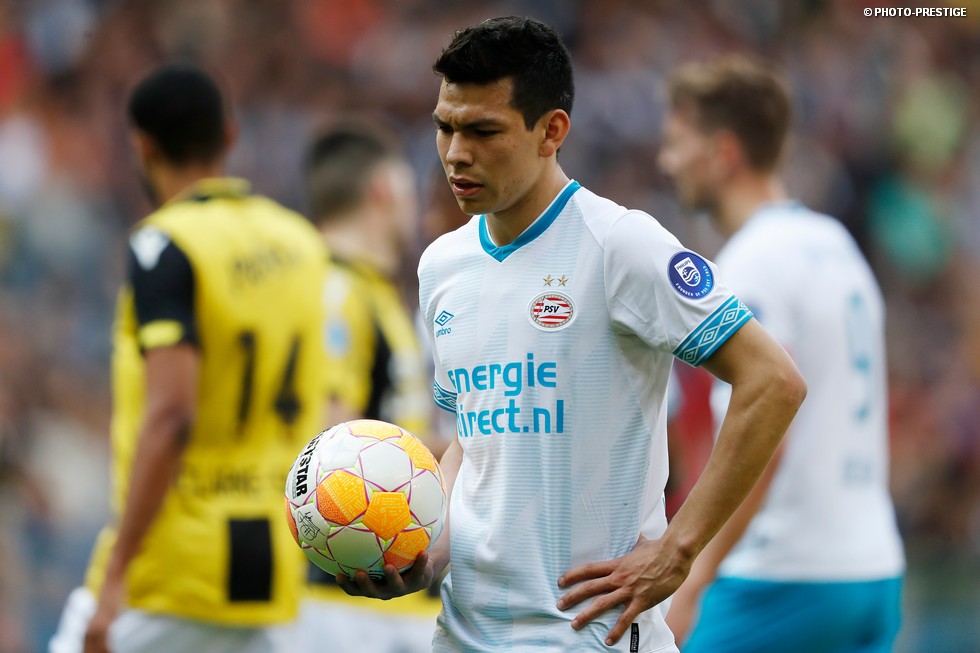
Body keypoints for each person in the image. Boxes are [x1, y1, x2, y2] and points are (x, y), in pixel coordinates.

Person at [338, 16, 807, 653]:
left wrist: (679, 548)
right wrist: (432, 551)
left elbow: (773, 381)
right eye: (445, 127)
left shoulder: (619, 245)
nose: (455, 154)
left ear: (551, 131)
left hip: (586, 635)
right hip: (463, 635)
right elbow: (468, 441)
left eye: (483, 131)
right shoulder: (442, 266)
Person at [48, 63, 327, 653]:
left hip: (176, 563)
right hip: (274, 559)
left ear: (142, 146)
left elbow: (172, 415)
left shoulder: (165, 244)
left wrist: (116, 571)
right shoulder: (301, 243)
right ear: (229, 134)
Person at [659, 56, 905, 652]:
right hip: (874, 569)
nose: (667, 161)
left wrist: (692, 577)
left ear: (724, 153)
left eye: (677, 143)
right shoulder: (837, 244)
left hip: (784, 576)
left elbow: (763, 427)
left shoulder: (755, 262)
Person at [284, 119, 442, 652]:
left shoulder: (369, 289)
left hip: (385, 587)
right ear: (383, 188)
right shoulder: (336, 289)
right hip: (346, 601)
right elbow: (332, 446)